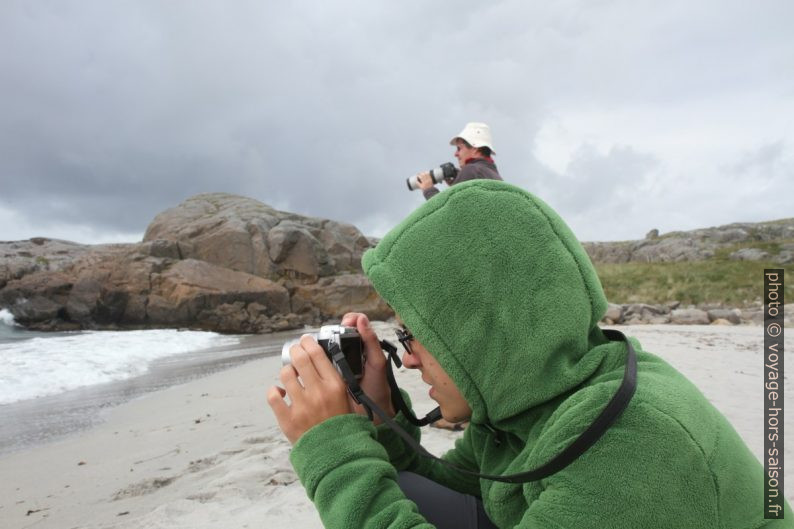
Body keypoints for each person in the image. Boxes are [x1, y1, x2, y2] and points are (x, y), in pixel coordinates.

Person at [268, 180, 791, 528]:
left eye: (415, 338)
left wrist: (333, 459)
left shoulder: (629, 452)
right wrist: (379, 418)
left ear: (482, 329)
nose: (406, 360)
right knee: (400, 483)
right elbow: (459, 486)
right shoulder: (535, 398)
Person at [416, 122, 502, 200]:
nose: (456, 154)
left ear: (475, 149)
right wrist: (457, 184)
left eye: (459, 148)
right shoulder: (495, 177)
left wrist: (428, 189)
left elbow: (450, 213)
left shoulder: (471, 170)